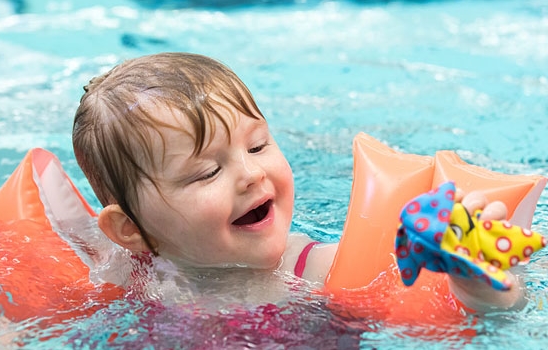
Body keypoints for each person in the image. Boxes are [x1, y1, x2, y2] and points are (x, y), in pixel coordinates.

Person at [72, 52, 524, 313]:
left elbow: (446, 318)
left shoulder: (317, 270)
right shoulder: (117, 267)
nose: (251, 174)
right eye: (208, 171)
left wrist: (478, 286)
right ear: (130, 230)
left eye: (258, 146)